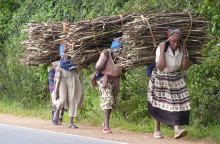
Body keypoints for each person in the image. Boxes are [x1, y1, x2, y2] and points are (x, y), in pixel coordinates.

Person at [147, 29, 191, 139]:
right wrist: (162, 50)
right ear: (169, 41)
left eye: (178, 42)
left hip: (175, 77)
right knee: (158, 103)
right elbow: (160, 67)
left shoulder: (182, 49)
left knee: (178, 103)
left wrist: (185, 52)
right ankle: (157, 130)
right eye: (173, 42)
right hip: (160, 77)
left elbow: (184, 67)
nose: (176, 44)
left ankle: (177, 130)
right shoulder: (162, 48)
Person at [91, 39, 125, 134]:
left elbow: (123, 71)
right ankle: (106, 127)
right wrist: (106, 58)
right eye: (116, 51)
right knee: (108, 99)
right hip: (103, 77)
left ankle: (105, 122)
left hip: (114, 79)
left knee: (113, 102)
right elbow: (98, 69)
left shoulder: (122, 57)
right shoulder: (105, 54)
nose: (117, 53)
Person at [52, 44, 84, 128]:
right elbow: (64, 58)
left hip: (72, 73)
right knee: (62, 97)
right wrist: (68, 48)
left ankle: (70, 122)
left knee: (73, 97)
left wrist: (74, 47)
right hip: (62, 74)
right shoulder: (63, 45)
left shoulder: (77, 45)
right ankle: (57, 110)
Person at [49, 61, 65, 125]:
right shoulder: (52, 72)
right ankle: (55, 114)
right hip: (54, 78)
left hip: (63, 76)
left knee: (63, 97)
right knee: (55, 96)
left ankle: (60, 115)